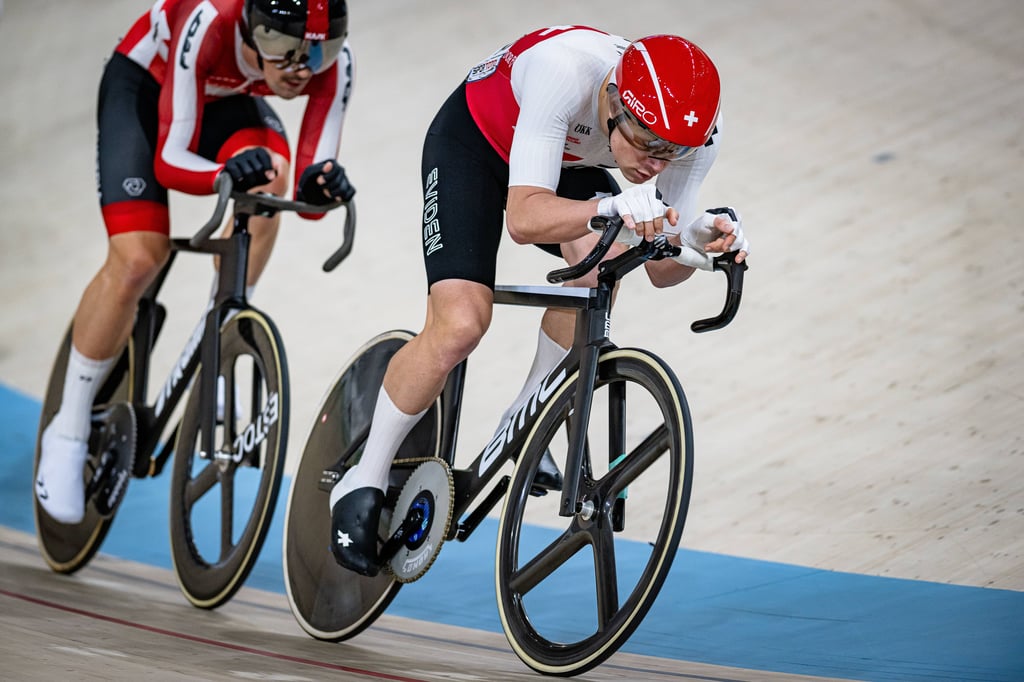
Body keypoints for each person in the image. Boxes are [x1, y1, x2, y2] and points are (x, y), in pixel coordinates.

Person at [329, 25, 749, 576]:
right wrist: (611, 209)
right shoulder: (564, 70)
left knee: (601, 270)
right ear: (615, 100)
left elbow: (663, 269)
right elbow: (525, 218)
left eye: (673, 152)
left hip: (564, 164)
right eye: (648, 145)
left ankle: (530, 412)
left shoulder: (686, 136)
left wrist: (701, 241)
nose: (656, 165)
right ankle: (365, 477)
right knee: (460, 325)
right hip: (475, 144)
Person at [35, 0, 357, 524]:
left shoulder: (331, 64)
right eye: (282, 47)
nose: (300, 67)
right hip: (145, 87)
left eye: (319, 51)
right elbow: (170, 157)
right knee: (140, 258)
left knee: (271, 178)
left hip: (230, 100)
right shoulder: (210, 19)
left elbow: (308, 193)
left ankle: (223, 329)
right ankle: (67, 427)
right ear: (253, 30)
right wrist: (223, 172)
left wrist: (321, 187)